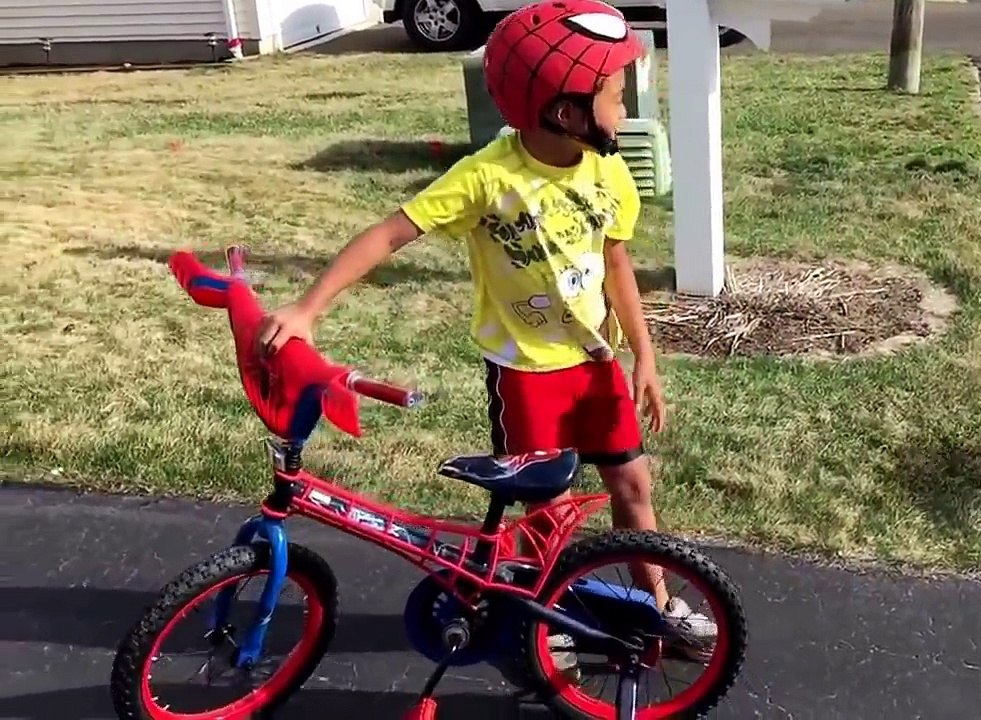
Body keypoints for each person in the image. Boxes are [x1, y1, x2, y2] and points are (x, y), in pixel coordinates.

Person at [255, 0, 715, 653]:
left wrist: (644, 357)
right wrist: (308, 307)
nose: (626, 110)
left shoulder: (610, 170)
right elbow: (391, 233)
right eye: (615, 96)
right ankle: (543, 620)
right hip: (526, 374)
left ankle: (661, 605)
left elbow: (616, 262)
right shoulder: (487, 177)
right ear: (565, 112)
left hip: (595, 366)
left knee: (633, 486)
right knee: (545, 515)